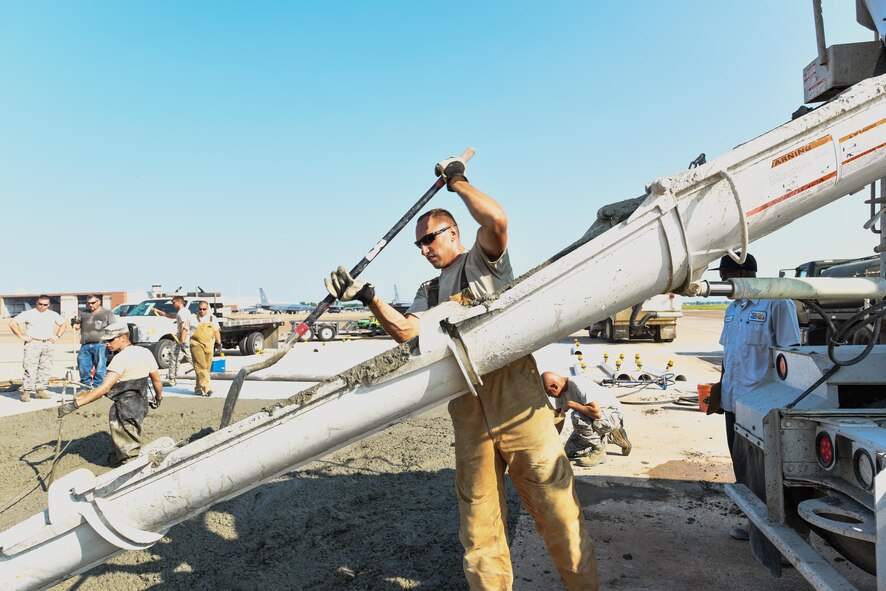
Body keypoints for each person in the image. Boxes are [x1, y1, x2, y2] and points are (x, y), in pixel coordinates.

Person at [324, 156, 599, 590]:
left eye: (429, 238)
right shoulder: (429, 291)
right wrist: (369, 297)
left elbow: (496, 219)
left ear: (453, 232)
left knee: (558, 512)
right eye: (418, 245)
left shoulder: (484, 263)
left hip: (519, 404)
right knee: (478, 528)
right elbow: (407, 334)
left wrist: (458, 182)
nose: (424, 248)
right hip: (469, 412)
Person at [713, 253, 800, 542]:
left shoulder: (777, 302)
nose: (723, 282)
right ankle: (756, 526)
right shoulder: (733, 308)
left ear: (743, 273)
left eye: (726, 276)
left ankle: (788, 537)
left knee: (772, 473)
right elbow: (729, 354)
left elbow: (792, 357)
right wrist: (719, 388)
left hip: (762, 407)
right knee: (744, 468)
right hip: (733, 403)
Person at [58, 322, 163, 466]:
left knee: (127, 441)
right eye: (106, 340)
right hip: (142, 404)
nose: (107, 343)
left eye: (110, 340)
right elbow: (156, 380)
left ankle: (130, 466)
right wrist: (158, 397)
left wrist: (76, 404)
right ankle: (118, 457)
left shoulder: (120, 358)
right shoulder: (145, 352)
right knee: (132, 432)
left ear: (123, 338)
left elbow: (105, 387)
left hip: (124, 408)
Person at [541, 371, 632, 467]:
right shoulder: (559, 394)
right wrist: (552, 443)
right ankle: (612, 436)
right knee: (570, 451)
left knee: (576, 416)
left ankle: (598, 452)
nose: (548, 395)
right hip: (594, 420)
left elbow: (596, 413)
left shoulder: (578, 384)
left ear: (555, 386)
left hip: (612, 415)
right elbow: (559, 419)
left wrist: (572, 404)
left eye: (548, 392)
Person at [8, 295, 67, 402]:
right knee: (30, 368)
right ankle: (26, 392)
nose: (42, 306)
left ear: (49, 305)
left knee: (45, 368)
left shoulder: (52, 314)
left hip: (48, 343)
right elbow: (12, 323)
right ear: (36, 303)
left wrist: (57, 336)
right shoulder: (29, 314)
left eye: (45, 305)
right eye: (40, 304)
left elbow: (63, 324)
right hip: (33, 343)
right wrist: (21, 336)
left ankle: (40, 390)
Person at [72, 295, 116, 389]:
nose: (90, 305)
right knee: (83, 367)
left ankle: (98, 389)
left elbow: (114, 329)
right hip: (85, 344)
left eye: (93, 303)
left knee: (100, 369)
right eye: (88, 303)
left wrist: (111, 342)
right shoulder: (84, 314)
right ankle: (85, 389)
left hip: (101, 344)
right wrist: (74, 323)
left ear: (99, 302)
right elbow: (77, 326)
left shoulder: (107, 313)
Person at [153, 295, 192, 385]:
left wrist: (181, 340)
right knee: (183, 358)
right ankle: (173, 379)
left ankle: (172, 379)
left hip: (181, 337)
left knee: (175, 358)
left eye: (173, 302)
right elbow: (170, 316)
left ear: (179, 302)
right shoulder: (184, 311)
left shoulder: (182, 312)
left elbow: (183, 326)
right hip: (184, 337)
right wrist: (158, 311)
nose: (172, 304)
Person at [190, 300, 221, 396]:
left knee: (206, 368)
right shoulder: (193, 318)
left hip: (209, 345)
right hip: (196, 344)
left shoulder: (212, 318)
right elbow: (186, 330)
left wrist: (219, 343)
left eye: (204, 309)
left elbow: (216, 331)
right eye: (200, 309)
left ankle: (198, 387)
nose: (202, 311)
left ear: (207, 309)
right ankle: (207, 388)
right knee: (200, 366)